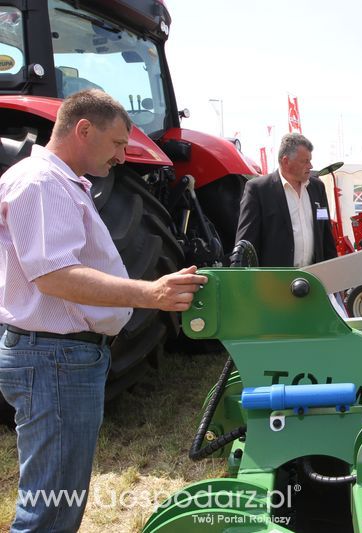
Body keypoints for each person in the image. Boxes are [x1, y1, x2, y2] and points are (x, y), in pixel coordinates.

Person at [0, 89, 207, 531]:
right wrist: (151, 293)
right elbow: (55, 276)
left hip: (62, 356)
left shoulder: (62, 183)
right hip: (53, 357)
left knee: (60, 497)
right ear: (83, 129)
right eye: (116, 144)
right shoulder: (41, 183)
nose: (121, 157)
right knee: (49, 509)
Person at [235, 133, 336, 267]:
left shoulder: (317, 188)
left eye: (310, 160)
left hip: (313, 278)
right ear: (286, 161)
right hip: (274, 282)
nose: (310, 166)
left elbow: (325, 234)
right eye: (305, 161)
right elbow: (246, 244)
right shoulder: (259, 190)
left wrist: (334, 274)